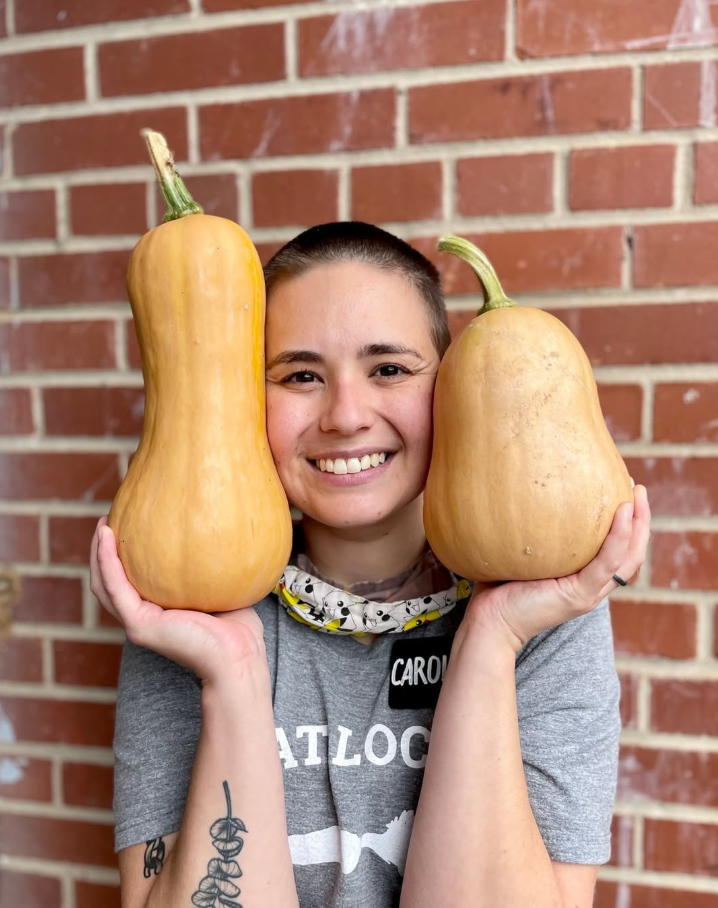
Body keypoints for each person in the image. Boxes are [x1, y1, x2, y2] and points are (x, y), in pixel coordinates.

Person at [90, 221, 650, 908]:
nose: (346, 415)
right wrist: (231, 677)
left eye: (389, 368)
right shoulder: (186, 617)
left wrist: (493, 638)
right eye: (300, 375)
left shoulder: (547, 614)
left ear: (450, 388)